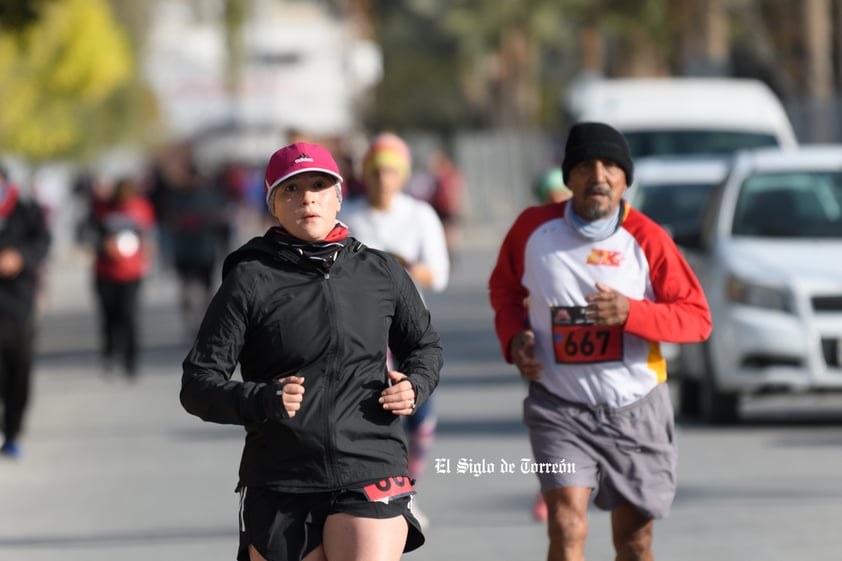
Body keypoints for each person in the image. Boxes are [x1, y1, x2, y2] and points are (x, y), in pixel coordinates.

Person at [180, 141, 442, 561]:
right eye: (291, 190)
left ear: (338, 196)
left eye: (319, 186)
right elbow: (197, 385)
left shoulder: (381, 271)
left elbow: (424, 346)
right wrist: (263, 398)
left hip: (370, 461)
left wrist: (416, 384)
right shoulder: (249, 279)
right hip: (281, 474)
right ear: (273, 205)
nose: (307, 198)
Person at [488, 122, 712, 561]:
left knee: (634, 542)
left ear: (626, 179)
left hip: (635, 409)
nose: (599, 175)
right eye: (586, 165)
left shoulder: (648, 239)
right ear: (568, 177)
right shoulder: (533, 230)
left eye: (611, 166)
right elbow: (505, 291)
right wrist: (516, 340)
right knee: (567, 525)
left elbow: (697, 319)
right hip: (560, 407)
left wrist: (633, 313)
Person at [339, 132, 449, 528]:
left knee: (420, 419)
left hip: (409, 327)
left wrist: (396, 268)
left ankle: (410, 484)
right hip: (362, 331)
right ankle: (386, 491)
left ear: (402, 175)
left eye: (391, 171)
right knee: (377, 412)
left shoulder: (420, 215)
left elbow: (438, 274)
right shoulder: (348, 214)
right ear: (365, 174)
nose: (383, 179)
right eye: (376, 170)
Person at [0, 166, 51, 459]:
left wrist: (20, 257)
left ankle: (12, 432)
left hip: (19, 300)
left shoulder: (25, 209)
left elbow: (42, 242)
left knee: (19, 366)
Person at [89, 176, 156, 378]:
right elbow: (88, 233)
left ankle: (131, 360)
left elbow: (149, 235)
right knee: (109, 316)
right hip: (105, 272)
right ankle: (109, 355)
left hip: (131, 273)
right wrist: (103, 244)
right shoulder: (102, 209)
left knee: (129, 316)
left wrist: (147, 254)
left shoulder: (141, 207)